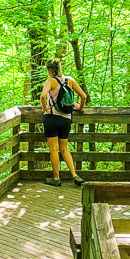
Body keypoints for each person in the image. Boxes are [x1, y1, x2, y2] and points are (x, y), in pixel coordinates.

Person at [39, 58, 87, 187]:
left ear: (50, 69)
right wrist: (80, 108)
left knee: (54, 150)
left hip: (52, 118)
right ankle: (74, 175)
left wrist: (45, 108)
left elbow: (43, 96)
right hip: (66, 119)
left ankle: (56, 178)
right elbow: (83, 96)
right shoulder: (69, 80)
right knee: (64, 149)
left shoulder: (50, 81)